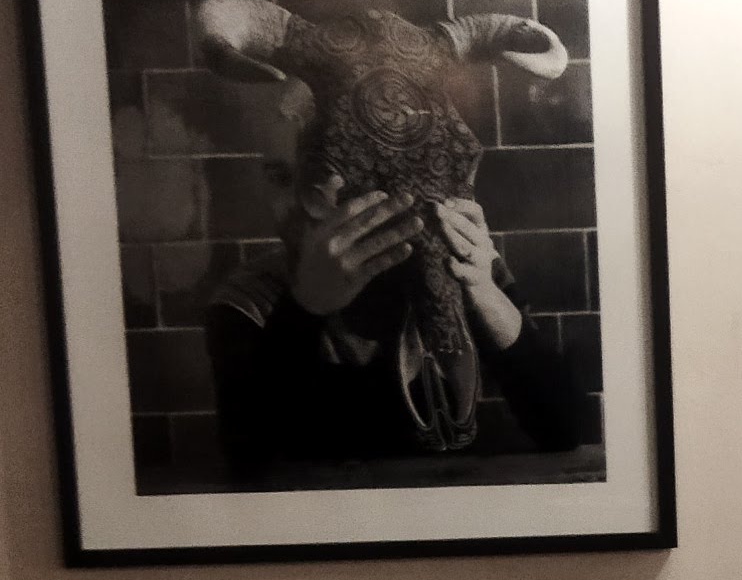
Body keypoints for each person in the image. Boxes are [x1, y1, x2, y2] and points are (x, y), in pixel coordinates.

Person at [207, 179, 587, 482]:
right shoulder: (251, 296)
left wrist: (485, 292)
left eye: (316, 176)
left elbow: (565, 427)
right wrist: (306, 307)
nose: (296, 203)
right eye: (277, 176)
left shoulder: (465, 270)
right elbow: (247, 456)